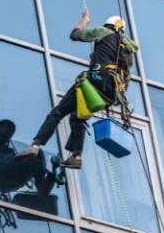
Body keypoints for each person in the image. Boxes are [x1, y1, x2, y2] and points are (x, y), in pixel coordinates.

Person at [15, 11, 138, 169]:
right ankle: (76, 155)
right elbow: (126, 77)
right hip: (111, 93)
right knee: (77, 117)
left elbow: (75, 35)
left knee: (58, 112)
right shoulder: (128, 49)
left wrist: (84, 20)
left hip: (96, 81)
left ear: (109, 25)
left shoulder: (104, 32)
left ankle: (36, 145)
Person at [0, 95, 53, 206]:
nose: (5, 134)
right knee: (29, 154)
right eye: (3, 130)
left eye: (8, 132)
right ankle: (43, 185)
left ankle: (43, 189)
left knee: (36, 158)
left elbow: (15, 163)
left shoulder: (9, 151)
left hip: (11, 177)